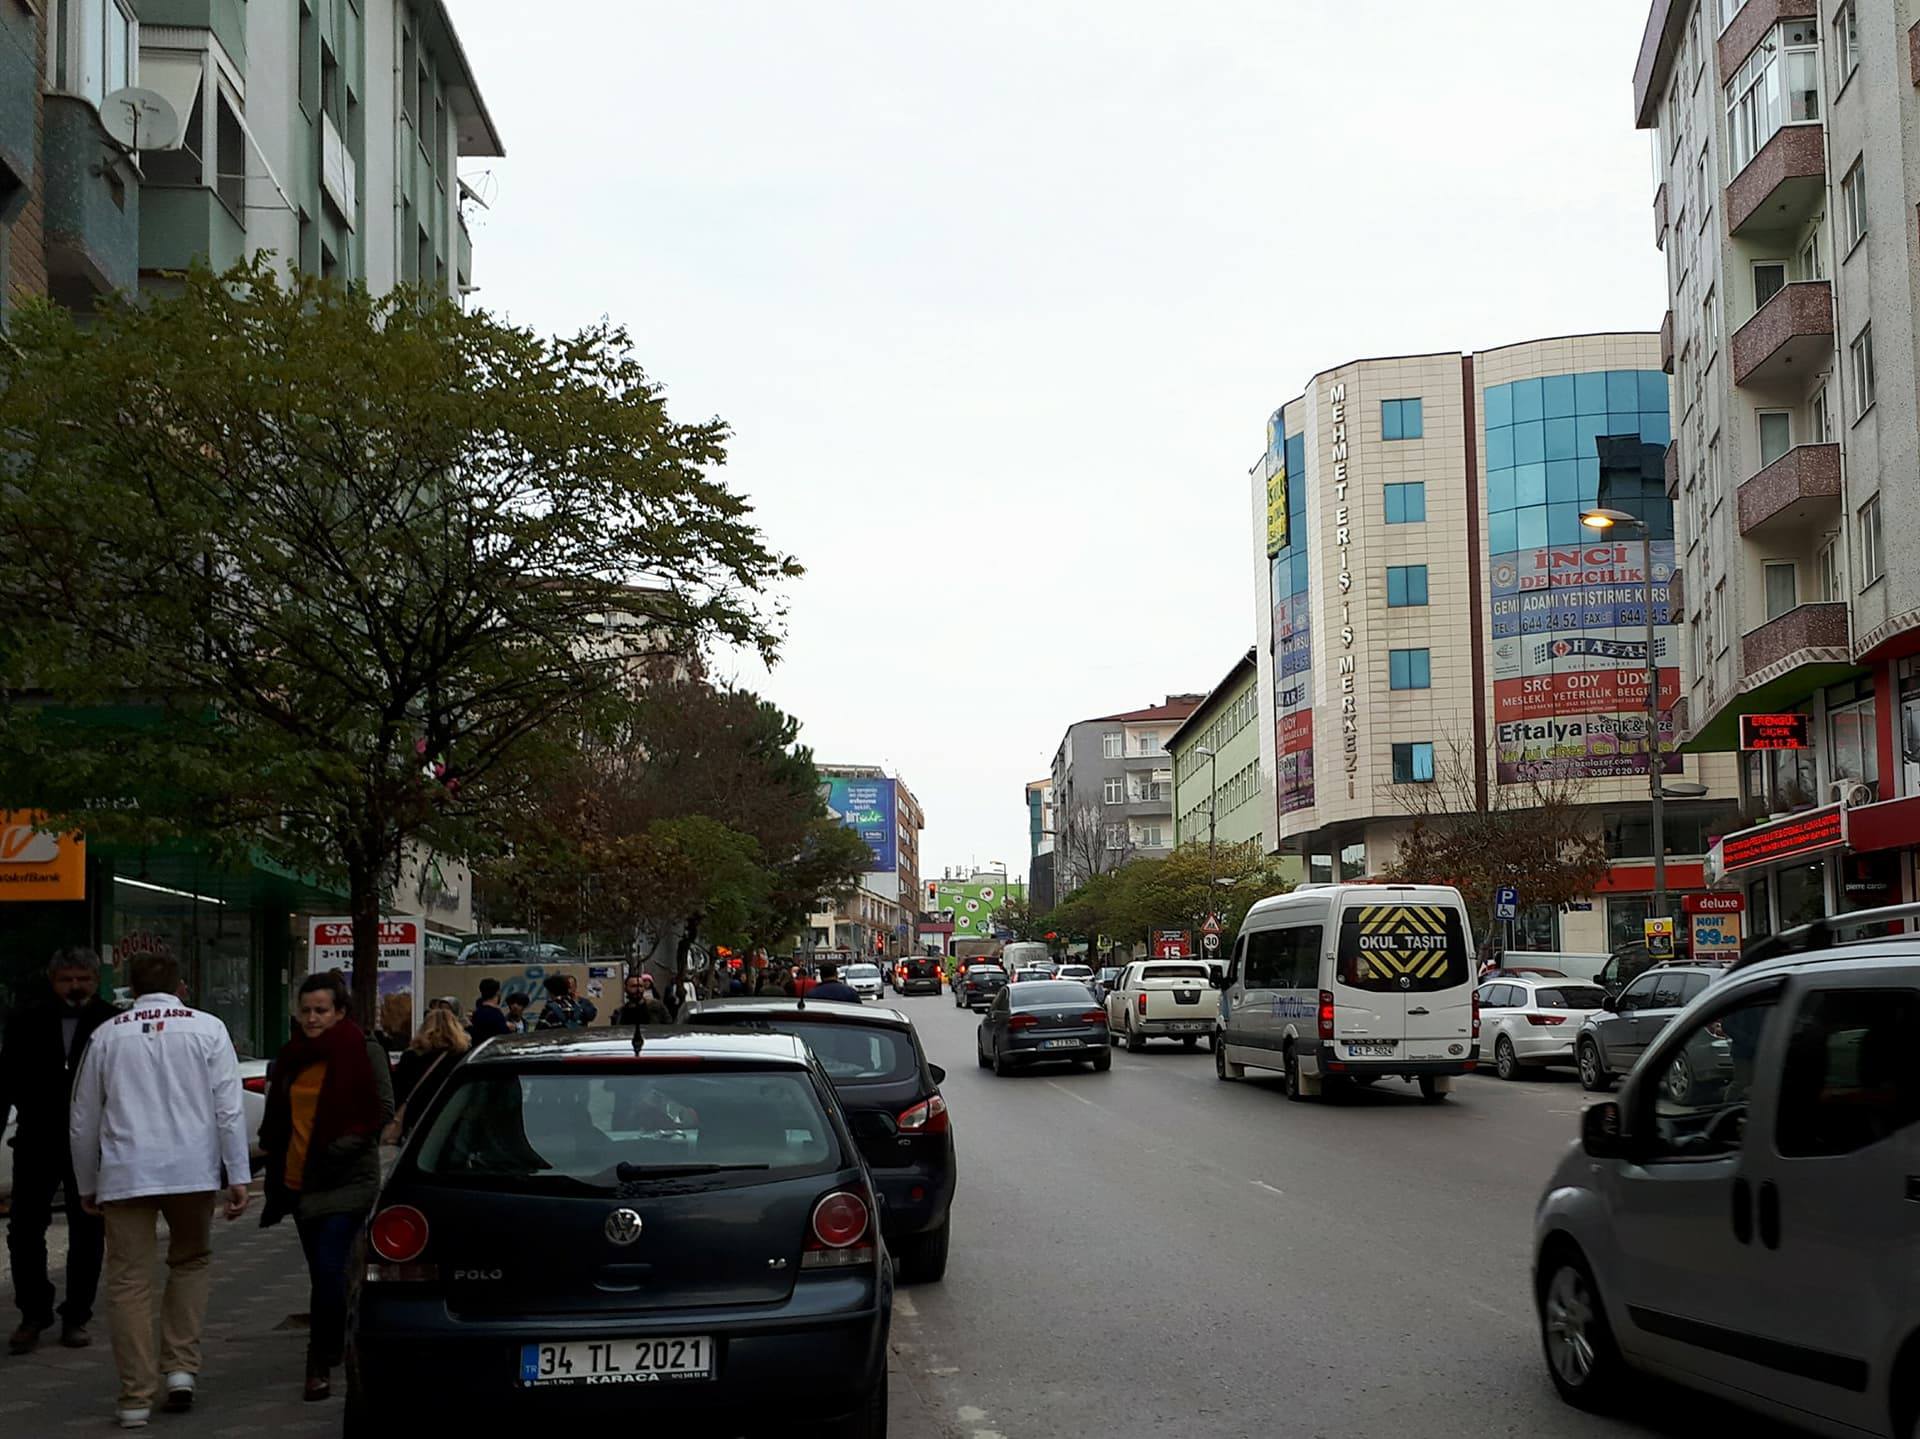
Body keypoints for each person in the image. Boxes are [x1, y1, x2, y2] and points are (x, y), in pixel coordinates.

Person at [68, 951, 250, 1429]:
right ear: (182, 986)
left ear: (128, 986)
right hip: (192, 1170)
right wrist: (238, 1175)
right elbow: (228, 1109)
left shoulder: (106, 1035)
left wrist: (87, 1183)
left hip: (126, 1173)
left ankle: (134, 1397)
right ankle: (181, 1369)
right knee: (190, 1261)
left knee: (128, 1281)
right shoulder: (208, 1029)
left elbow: (83, 1120)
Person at [256, 975, 392, 1402]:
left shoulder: (362, 1050)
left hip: (346, 1179)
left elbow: (380, 1111)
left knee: (330, 1270)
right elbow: (278, 1115)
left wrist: (336, 1148)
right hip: (300, 1183)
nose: (313, 1018)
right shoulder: (292, 1056)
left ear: (340, 1012)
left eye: (322, 1010)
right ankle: (343, 1333)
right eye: (307, 1010)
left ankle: (321, 1359)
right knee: (323, 1273)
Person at [1, 947, 116, 1354]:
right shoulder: (25, 1019)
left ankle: (76, 1315)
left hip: (92, 1143)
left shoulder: (110, 1022)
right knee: (24, 1229)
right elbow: (7, 1078)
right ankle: (34, 1312)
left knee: (88, 1229)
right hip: (36, 1139)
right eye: (67, 979)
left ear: (96, 979)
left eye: (83, 978)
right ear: (53, 982)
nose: (75, 986)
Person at [390, 1007, 469, 1139]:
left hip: (416, 1123)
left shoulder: (411, 1057)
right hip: (450, 1122)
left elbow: (399, 1092)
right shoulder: (461, 1057)